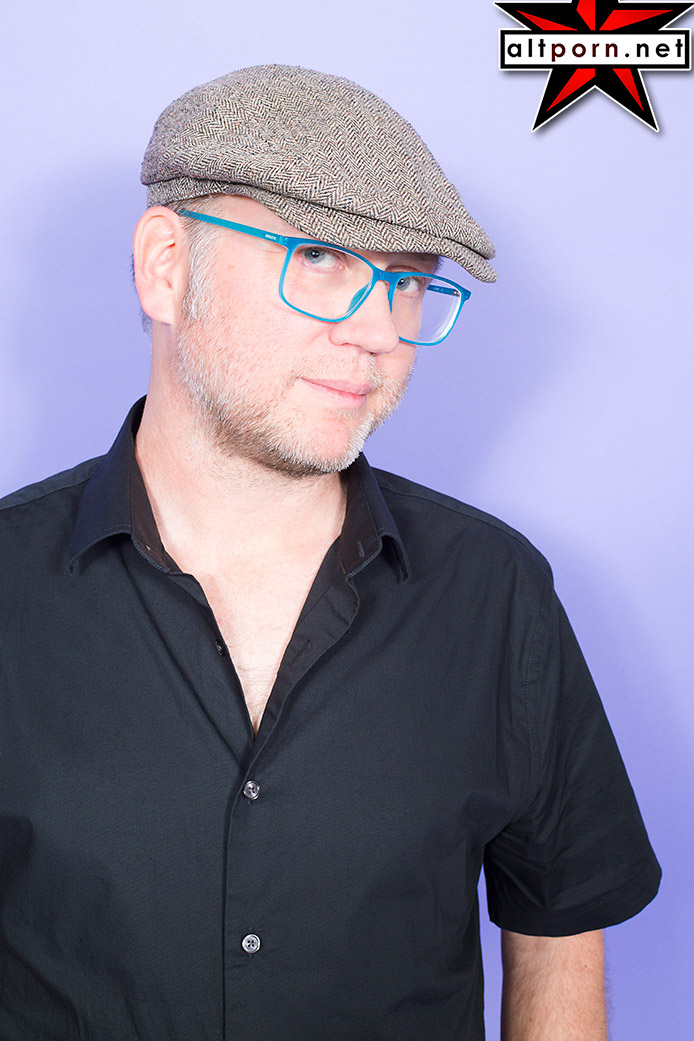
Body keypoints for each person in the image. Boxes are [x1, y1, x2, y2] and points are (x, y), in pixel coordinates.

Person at [0, 65, 660, 1041]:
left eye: (409, 281)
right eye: (317, 258)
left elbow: (558, 935)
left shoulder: (495, 592)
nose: (377, 331)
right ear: (166, 267)